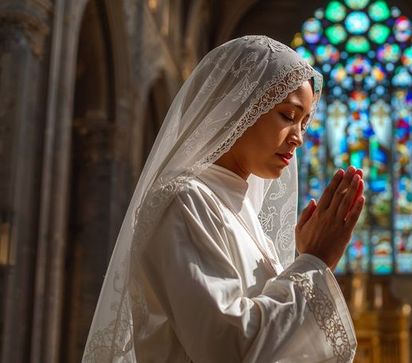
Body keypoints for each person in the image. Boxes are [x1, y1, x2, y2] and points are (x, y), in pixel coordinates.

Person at [83, 35, 365, 363]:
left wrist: (305, 259)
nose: (299, 138)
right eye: (288, 116)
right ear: (240, 105)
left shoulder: (245, 218)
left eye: (305, 123)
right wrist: (314, 263)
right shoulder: (184, 201)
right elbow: (229, 346)